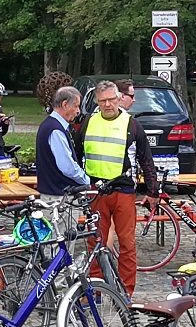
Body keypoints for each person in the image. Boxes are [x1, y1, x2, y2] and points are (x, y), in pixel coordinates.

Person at [73, 80, 158, 295]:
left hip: (123, 191)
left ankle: (126, 291)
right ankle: (96, 289)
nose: (108, 104)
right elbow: (76, 154)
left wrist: (152, 191)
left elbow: (146, 160)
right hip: (96, 191)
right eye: (103, 101)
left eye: (112, 99)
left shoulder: (131, 125)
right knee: (95, 242)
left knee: (127, 244)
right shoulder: (88, 123)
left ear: (119, 99)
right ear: (97, 102)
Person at [34, 86, 92, 196]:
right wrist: (87, 181)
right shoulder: (56, 130)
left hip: (51, 192)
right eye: (76, 106)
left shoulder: (48, 124)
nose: (78, 111)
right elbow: (67, 167)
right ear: (65, 104)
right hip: (58, 195)